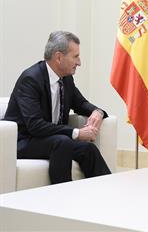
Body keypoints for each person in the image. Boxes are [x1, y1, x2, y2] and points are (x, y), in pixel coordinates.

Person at [4, 31, 111, 184]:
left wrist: (97, 112)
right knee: (62, 142)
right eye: (75, 56)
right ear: (59, 57)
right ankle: (62, 200)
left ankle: (107, 194)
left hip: (51, 139)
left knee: (89, 150)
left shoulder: (66, 79)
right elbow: (35, 126)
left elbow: (80, 103)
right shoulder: (30, 79)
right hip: (24, 141)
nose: (79, 62)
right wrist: (77, 133)